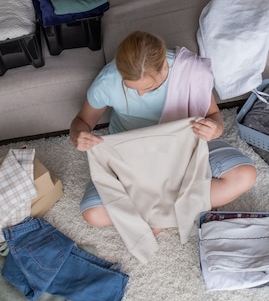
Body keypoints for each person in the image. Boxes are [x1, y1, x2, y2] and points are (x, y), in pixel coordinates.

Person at [70, 31, 256, 230]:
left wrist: (215, 129)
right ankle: (184, 207)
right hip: (132, 157)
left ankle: (157, 216)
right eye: (131, 87)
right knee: (93, 213)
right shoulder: (108, 79)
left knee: (245, 175)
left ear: (164, 67)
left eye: (149, 88)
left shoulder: (189, 71)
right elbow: (81, 121)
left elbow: (214, 117)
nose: (140, 94)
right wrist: (79, 137)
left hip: (187, 147)